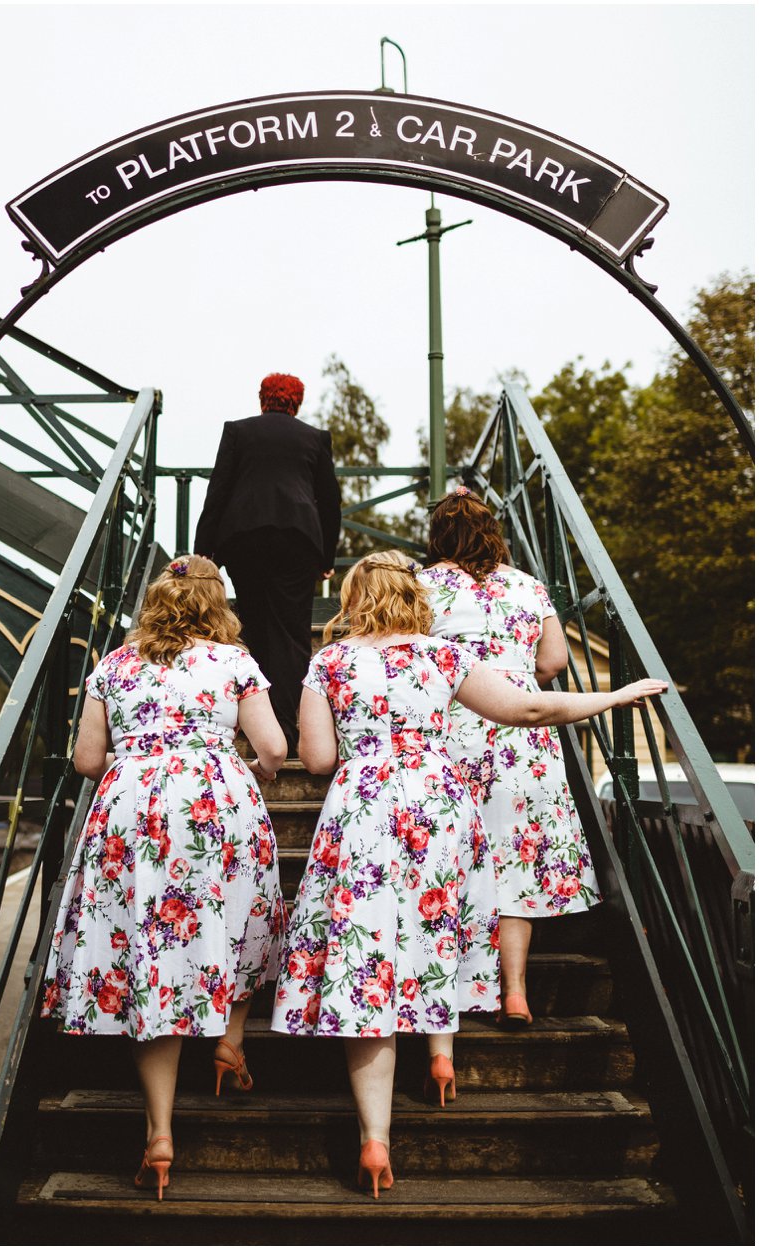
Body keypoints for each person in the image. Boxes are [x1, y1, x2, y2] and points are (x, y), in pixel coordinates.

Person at [274, 551, 664, 1199]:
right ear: (412, 595)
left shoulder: (330, 662)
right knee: (436, 931)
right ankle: (443, 1057)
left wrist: (363, 741)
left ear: (352, 598)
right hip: (437, 803)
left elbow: (315, 760)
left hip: (364, 809)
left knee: (368, 958)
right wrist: (617, 695)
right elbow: (530, 711)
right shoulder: (444, 657)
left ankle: (375, 1137)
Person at [40, 555, 289, 1201]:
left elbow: (86, 758)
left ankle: (158, 1133)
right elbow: (276, 750)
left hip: (133, 807)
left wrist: (145, 764)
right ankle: (230, 1041)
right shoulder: (233, 662)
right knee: (237, 921)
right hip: (216, 800)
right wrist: (241, 768)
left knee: (152, 950)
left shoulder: (114, 667)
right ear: (218, 604)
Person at [417, 487, 591, 1029]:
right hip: (523, 738)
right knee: (514, 861)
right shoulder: (529, 587)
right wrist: (515, 681)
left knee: (452, 857)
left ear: (438, 534)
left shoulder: (422, 587)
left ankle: (447, 986)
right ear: (493, 531)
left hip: (453, 729)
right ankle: (514, 992)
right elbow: (555, 660)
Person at [193, 372, 342, 753]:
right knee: (292, 636)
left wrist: (203, 550)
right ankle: (287, 734)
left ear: (263, 399)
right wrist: (326, 557)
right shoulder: (314, 437)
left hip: (244, 541)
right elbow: (329, 501)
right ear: (298, 402)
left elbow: (219, 490)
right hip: (297, 543)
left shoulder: (238, 432)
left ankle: (257, 731)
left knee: (255, 629)